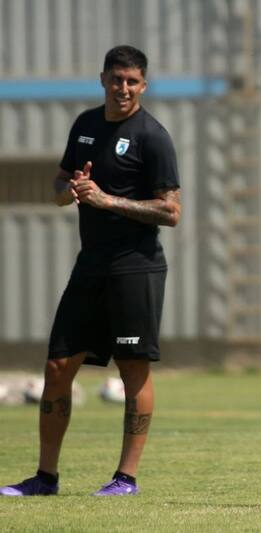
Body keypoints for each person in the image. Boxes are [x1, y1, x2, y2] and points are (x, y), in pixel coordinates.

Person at [1, 45, 181, 497]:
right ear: (102, 79)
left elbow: (172, 211)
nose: (123, 88)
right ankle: (45, 478)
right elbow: (62, 183)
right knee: (58, 365)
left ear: (144, 85)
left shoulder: (152, 136)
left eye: (132, 82)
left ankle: (126, 479)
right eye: (116, 79)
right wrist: (69, 194)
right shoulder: (85, 124)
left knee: (132, 370)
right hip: (90, 266)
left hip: (135, 269)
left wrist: (107, 200)